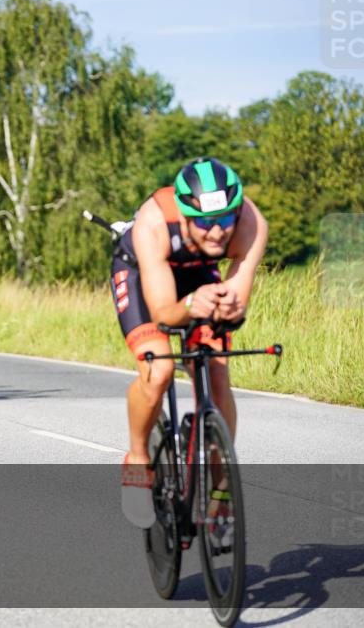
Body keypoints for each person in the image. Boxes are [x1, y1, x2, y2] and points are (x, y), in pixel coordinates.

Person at [111, 157, 268, 528]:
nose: (217, 232)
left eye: (225, 219)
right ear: (184, 216)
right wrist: (190, 306)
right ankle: (137, 458)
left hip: (199, 274)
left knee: (217, 372)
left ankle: (222, 489)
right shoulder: (153, 223)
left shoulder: (251, 223)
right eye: (205, 222)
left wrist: (228, 304)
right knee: (159, 368)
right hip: (141, 273)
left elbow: (238, 299)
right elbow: (164, 312)